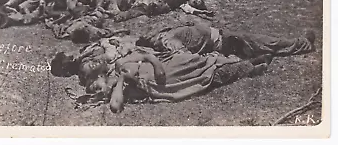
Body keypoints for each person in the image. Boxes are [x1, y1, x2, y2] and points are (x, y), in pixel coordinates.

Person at [51, 35, 268, 113]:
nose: (98, 86)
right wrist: (122, 81)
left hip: (164, 66)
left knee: (202, 60)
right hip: (166, 80)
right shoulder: (119, 89)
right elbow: (115, 106)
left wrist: (151, 60)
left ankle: (245, 61)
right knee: (209, 75)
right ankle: (249, 68)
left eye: (96, 84)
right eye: (97, 90)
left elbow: (142, 55)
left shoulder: (115, 68)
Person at [136, 22, 316, 64]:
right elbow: (185, 56)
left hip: (223, 37)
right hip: (225, 43)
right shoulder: (167, 40)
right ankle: (304, 44)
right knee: (269, 42)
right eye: (148, 36)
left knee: (264, 43)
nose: (150, 33)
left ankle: (258, 57)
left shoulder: (165, 33)